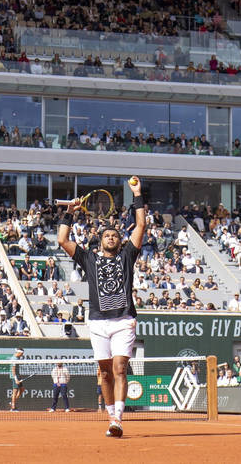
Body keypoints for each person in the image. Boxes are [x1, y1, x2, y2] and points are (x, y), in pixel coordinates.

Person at [57, 176, 145, 438]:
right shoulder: (89, 258)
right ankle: (110, 414)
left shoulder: (128, 255)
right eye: (106, 235)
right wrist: (69, 213)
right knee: (104, 373)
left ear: (119, 241)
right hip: (97, 322)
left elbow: (141, 224)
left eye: (114, 235)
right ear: (100, 240)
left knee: (119, 368)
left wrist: (137, 194)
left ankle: (117, 418)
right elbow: (63, 239)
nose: (110, 237)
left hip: (123, 320)